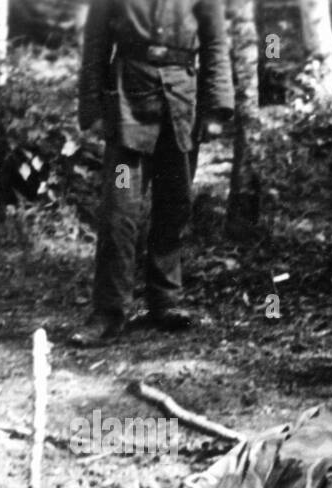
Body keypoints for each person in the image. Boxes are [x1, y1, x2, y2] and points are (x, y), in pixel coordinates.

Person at [74, 0, 234, 345]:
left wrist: (215, 109)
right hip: (127, 108)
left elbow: (216, 43)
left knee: (174, 206)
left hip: (180, 107)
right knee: (119, 211)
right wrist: (93, 107)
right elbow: (95, 43)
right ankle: (108, 312)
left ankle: (165, 301)